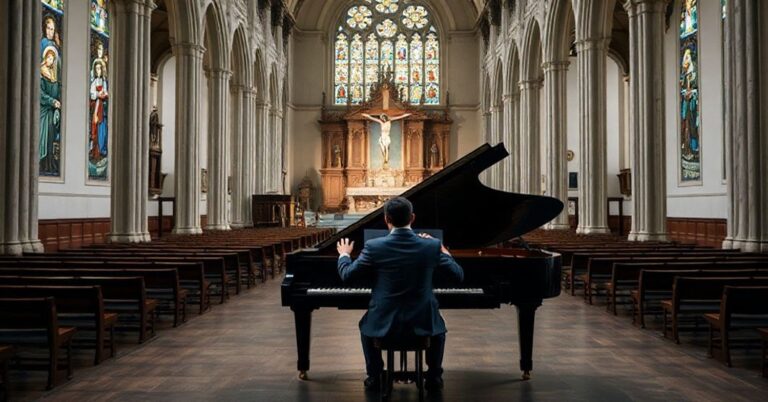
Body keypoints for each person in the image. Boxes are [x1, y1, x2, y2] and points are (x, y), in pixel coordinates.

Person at [336, 197, 464, 392]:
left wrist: (344, 254)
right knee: (438, 328)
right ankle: (434, 377)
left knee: (365, 326)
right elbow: (458, 275)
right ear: (412, 218)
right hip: (422, 320)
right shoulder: (431, 246)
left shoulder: (373, 246)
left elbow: (347, 275)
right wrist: (443, 250)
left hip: (384, 321)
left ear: (386, 219)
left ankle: (374, 376)